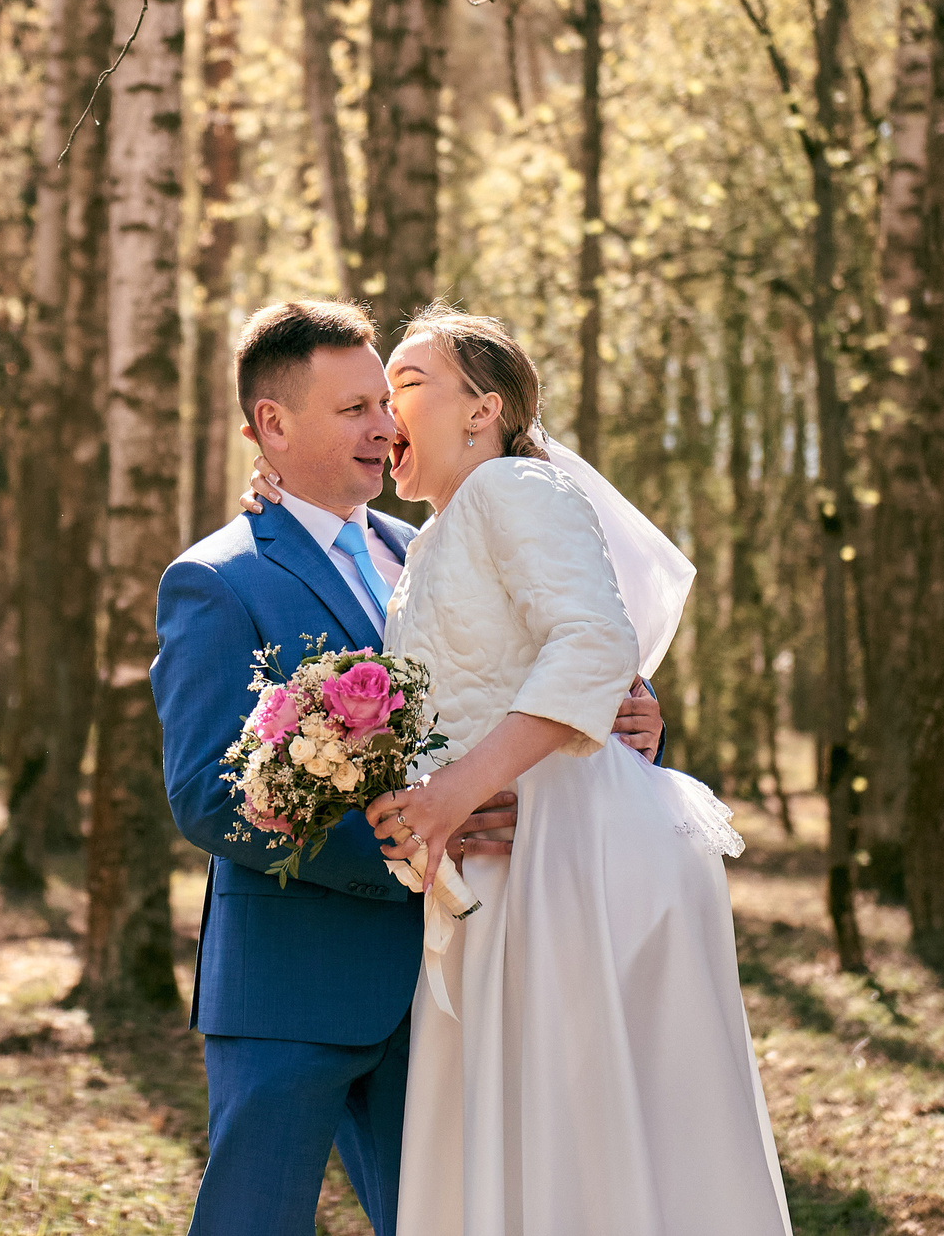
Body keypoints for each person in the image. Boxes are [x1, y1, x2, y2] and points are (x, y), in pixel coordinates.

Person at [150, 300, 669, 1236]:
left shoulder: (420, 545)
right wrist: (403, 838)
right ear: (272, 425)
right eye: (355, 407)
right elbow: (206, 793)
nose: (385, 426)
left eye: (388, 401)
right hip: (291, 983)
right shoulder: (219, 578)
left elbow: (528, 663)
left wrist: (627, 715)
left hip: (444, 985)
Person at [340, 305, 791, 1235]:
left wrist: (455, 792)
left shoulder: (515, 490)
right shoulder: (426, 544)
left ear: (482, 410)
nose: (388, 414)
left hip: (567, 861)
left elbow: (592, 643)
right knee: (511, 1131)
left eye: (409, 385)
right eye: (381, 396)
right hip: (496, 869)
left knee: (578, 1134)